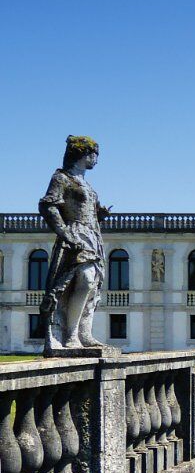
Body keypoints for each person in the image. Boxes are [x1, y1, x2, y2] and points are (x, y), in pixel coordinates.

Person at [39, 135, 111, 354]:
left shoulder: (85, 184)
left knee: (92, 285)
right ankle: (70, 335)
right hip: (75, 235)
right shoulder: (62, 178)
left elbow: (89, 210)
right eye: (94, 155)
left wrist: (100, 215)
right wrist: (64, 232)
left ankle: (83, 333)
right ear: (83, 154)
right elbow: (48, 206)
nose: (96, 161)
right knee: (85, 279)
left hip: (92, 237)